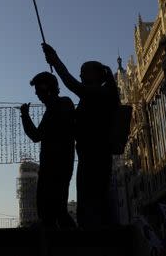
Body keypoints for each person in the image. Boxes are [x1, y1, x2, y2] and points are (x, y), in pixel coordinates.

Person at [42, 43, 119, 228]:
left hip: (97, 156)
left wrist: (56, 60)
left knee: (94, 203)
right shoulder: (89, 98)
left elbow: (71, 84)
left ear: (96, 75)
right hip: (87, 156)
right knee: (87, 204)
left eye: (84, 72)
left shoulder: (102, 92)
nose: (81, 75)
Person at [20, 71, 77, 229]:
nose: (37, 95)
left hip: (58, 167)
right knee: (49, 211)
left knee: (57, 210)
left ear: (48, 89)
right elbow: (36, 135)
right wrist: (25, 116)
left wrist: (25, 116)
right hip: (50, 167)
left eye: (39, 90)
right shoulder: (52, 109)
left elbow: (37, 135)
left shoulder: (63, 105)